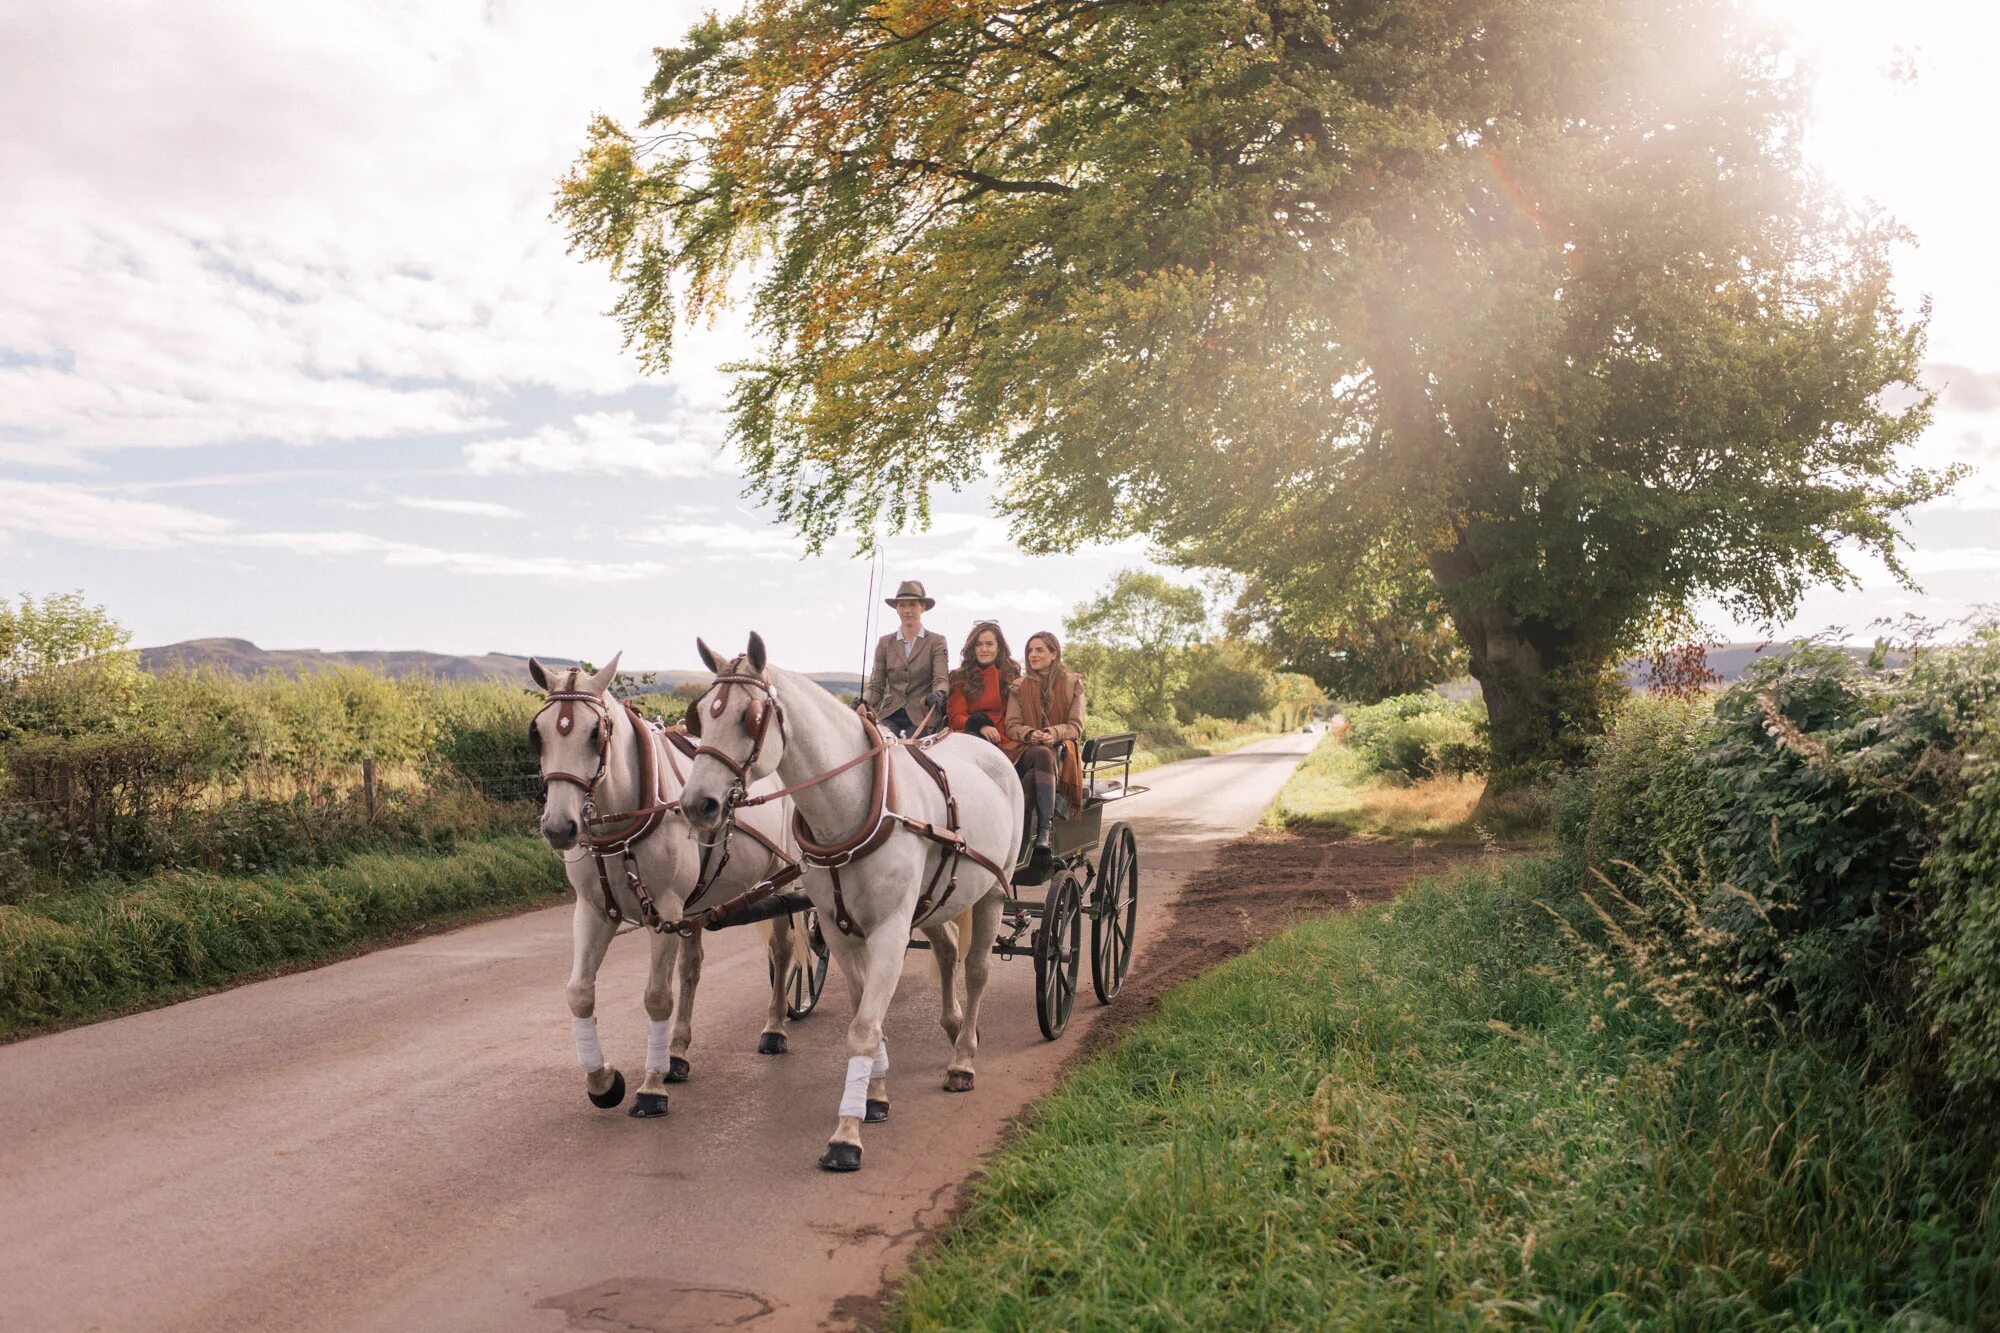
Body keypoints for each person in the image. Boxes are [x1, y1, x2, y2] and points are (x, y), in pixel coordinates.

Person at [1005, 630, 1086, 869]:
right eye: (1030, 650)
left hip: (1060, 751)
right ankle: (1044, 830)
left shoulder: (1073, 684)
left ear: (1053, 653)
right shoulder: (1019, 687)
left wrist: (1053, 733)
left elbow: (1076, 726)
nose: (1033, 655)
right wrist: (1031, 734)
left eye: (1039, 650)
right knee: (1040, 754)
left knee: (1034, 774)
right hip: (1026, 750)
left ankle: (1019, 840)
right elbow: (1012, 725)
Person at [860, 579, 950, 738]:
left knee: (912, 749)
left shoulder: (937, 641)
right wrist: (864, 701)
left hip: (921, 715)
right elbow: (876, 687)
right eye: (902, 605)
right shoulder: (884, 643)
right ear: (896, 608)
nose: (907, 610)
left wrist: (940, 693)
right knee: (878, 743)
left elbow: (941, 679)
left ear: (922, 607)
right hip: (890, 714)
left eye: (912, 605)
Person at [946, 621, 1021, 758]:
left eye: (989, 644)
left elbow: (1015, 714)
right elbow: (956, 716)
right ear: (972, 649)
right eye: (978, 645)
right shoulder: (960, 677)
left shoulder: (1011, 676)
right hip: (971, 734)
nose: (984, 649)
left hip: (1005, 736)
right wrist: (980, 726)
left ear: (999, 648)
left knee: (1039, 754)